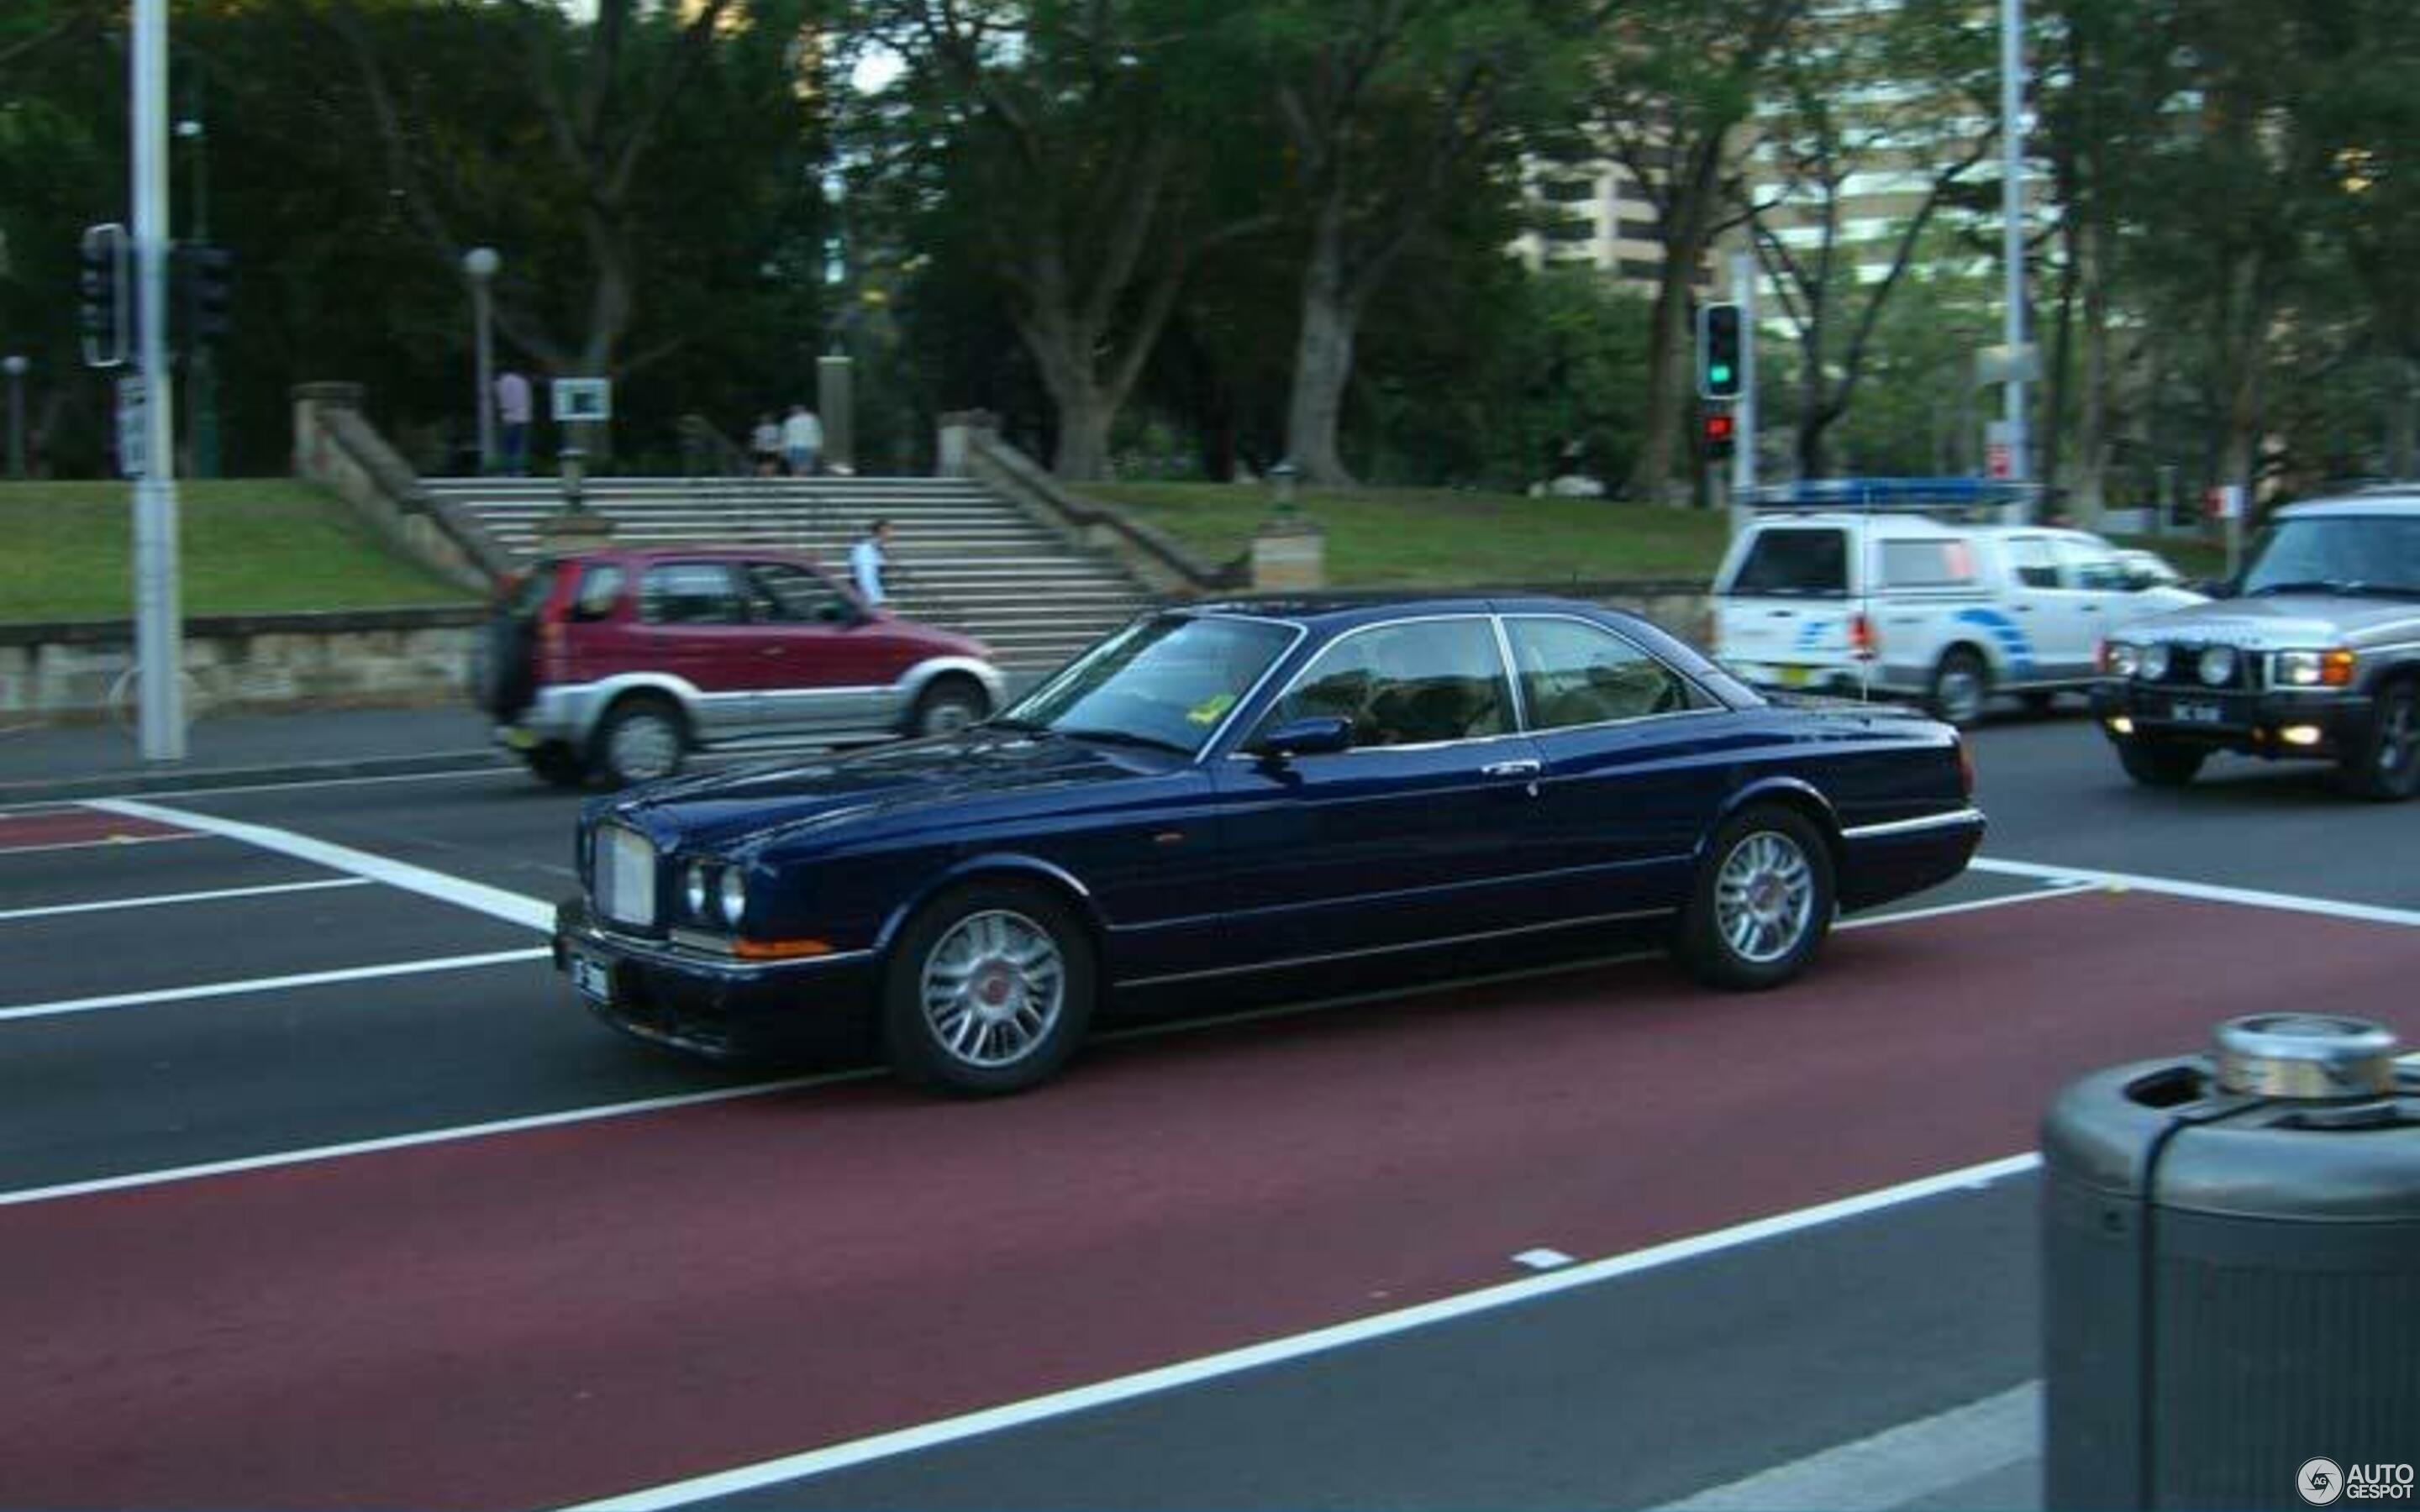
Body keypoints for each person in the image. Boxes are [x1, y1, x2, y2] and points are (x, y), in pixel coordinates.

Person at [493, 369, 533, 476]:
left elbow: (503, 400)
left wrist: (503, 412)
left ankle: (507, 471)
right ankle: (519, 470)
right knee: (519, 446)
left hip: (509, 418)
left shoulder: (502, 381)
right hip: (524, 418)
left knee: (507, 447)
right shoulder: (523, 381)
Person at [850, 517, 895, 607]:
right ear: (880, 533)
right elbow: (866, 577)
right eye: (888, 532)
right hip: (865, 602)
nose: (890, 535)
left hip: (870, 600)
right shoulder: (865, 550)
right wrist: (876, 601)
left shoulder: (876, 549)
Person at [781, 402, 823, 477]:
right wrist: (818, 446)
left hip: (800, 446)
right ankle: (800, 481)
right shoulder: (790, 421)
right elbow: (818, 433)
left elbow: (817, 433)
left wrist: (784, 449)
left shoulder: (790, 421)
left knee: (798, 468)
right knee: (802, 468)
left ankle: (798, 480)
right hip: (801, 446)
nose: (794, 410)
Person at [749, 412, 781, 476]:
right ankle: (768, 476)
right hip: (771, 449)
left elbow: (754, 440)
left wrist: (753, 447)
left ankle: (764, 476)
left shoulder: (758, 429)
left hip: (762, 449)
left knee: (763, 464)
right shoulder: (775, 429)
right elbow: (778, 440)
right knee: (770, 464)